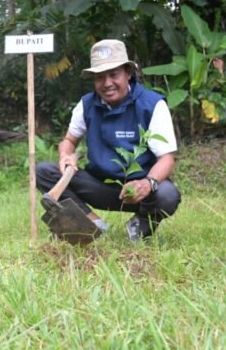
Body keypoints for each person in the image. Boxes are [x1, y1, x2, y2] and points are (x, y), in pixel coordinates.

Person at [36, 39, 181, 241]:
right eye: (99, 77)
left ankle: (139, 227)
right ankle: (91, 224)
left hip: (138, 189)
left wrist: (147, 183)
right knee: (44, 171)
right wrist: (65, 156)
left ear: (128, 73)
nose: (107, 83)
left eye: (114, 75)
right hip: (99, 186)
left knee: (167, 194)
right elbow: (69, 140)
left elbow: (166, 158)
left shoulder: (152, 104)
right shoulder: (86, 104)